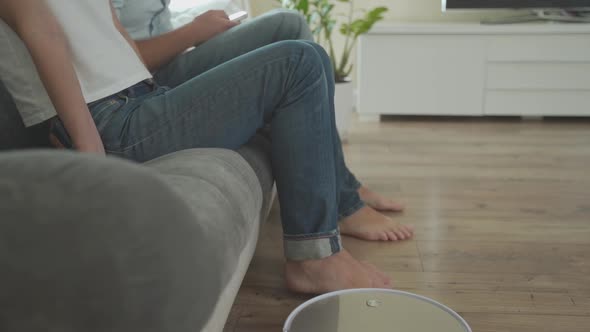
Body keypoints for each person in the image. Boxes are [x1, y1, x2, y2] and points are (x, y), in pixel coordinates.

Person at [0, 0, 413, 294]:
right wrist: (92, 157)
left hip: (141, 95)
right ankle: (314, 259)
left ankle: (338, 209)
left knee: (307, 57)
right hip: (106, 121)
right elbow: (43, 33)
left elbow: (120, 48)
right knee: (297, 64)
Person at [113, 0, 406, 213]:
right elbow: (124, 60)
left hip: (169, 64)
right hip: (142, 81)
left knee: (287, 23)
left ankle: (342, 185)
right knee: (293, 59)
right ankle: (342, 195)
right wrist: (192, 32)